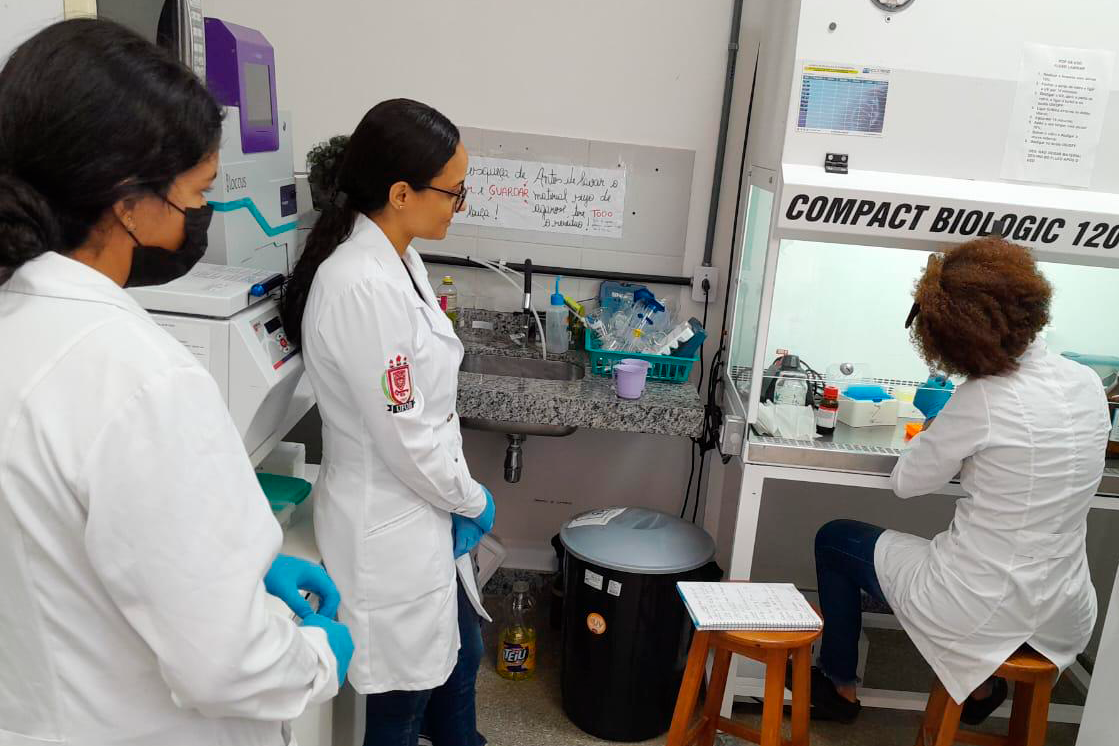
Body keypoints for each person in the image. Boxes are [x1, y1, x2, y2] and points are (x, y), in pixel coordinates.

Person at [0, 20, 353, 745]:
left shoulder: (21, 321)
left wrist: (236, 572)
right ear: (127, 201)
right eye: (197, 191)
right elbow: (230, 667)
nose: (203, 213)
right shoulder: (141, 380)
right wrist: (316, 657)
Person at [810, 237, 1110, 723]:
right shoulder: (1087, 383)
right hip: (1064, 610)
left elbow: (906, 483)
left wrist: (935, 428)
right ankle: (979, 689)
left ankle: (837, 687)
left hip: (976, 604)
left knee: (836, 540)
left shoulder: (983, 397)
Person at [281, 99, 496, 746]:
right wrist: (471, 498)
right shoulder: (360, 285)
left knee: (459, 666)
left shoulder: (399, 260)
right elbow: (403, 434)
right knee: (401, 711)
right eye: (453, 192)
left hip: (421, 513)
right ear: (401, 193)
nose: (459, 205)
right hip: (388, 532)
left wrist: (455, 500)